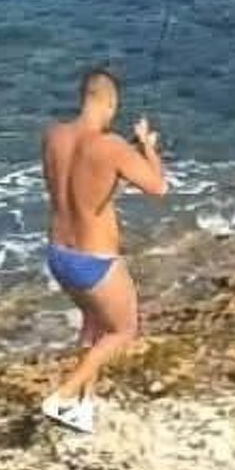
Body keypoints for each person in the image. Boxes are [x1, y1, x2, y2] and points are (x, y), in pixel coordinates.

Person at [38, 67, 168, 433]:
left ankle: (84, 405)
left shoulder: (53, 136)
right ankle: (62, 396)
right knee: (123, 330)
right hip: (94, 261)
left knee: (93, 323)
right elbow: (158, 187)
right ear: (110, 103)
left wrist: (119, 161)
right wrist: (146, 147)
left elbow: (73, 187)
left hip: (58, 254)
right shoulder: (113, 147)